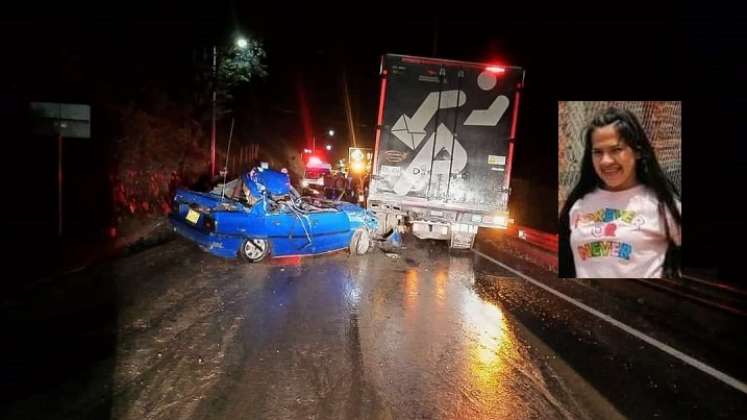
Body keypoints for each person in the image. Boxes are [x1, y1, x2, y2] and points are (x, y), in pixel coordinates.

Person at [558, 107, 681, 278]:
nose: (606, 161)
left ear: (637, 151)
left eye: (616, 150)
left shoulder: (662, 205)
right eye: (598, 152)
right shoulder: (578, 205)